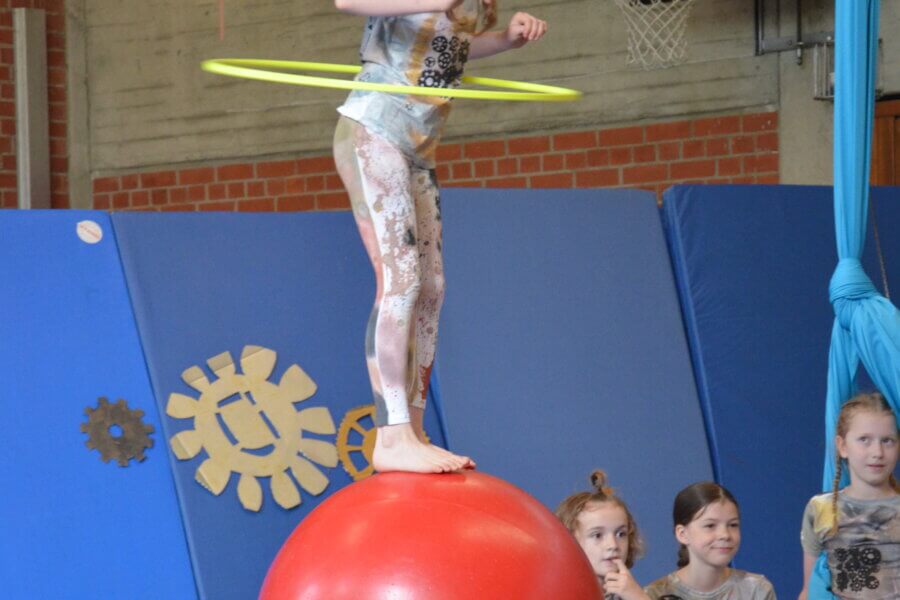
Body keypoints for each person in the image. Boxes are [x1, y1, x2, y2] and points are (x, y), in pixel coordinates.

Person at [332, 0, 546, 473]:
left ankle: (412, 425)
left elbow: (450, 48)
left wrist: (509, 38)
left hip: (418, 151)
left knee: (431, 288)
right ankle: (390, 435)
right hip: (373, 130)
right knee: (401, 281)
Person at [798, 391, 900, 600]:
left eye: (887, 440)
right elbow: (809, 590)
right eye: (864, 439)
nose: (877, 452)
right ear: (843, 446)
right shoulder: (821, 509)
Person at [645, 482, 776, 600]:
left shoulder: (756, 590)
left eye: (733, 525)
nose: (725, 535)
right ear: (682, 534)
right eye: (710, 526)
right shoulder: (655, 594)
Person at [556, 470, 649, 600]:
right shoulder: (557, 593)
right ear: (571, 542)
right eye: (598, 535)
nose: (613, 545)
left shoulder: (632, 594)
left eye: (621, 534)